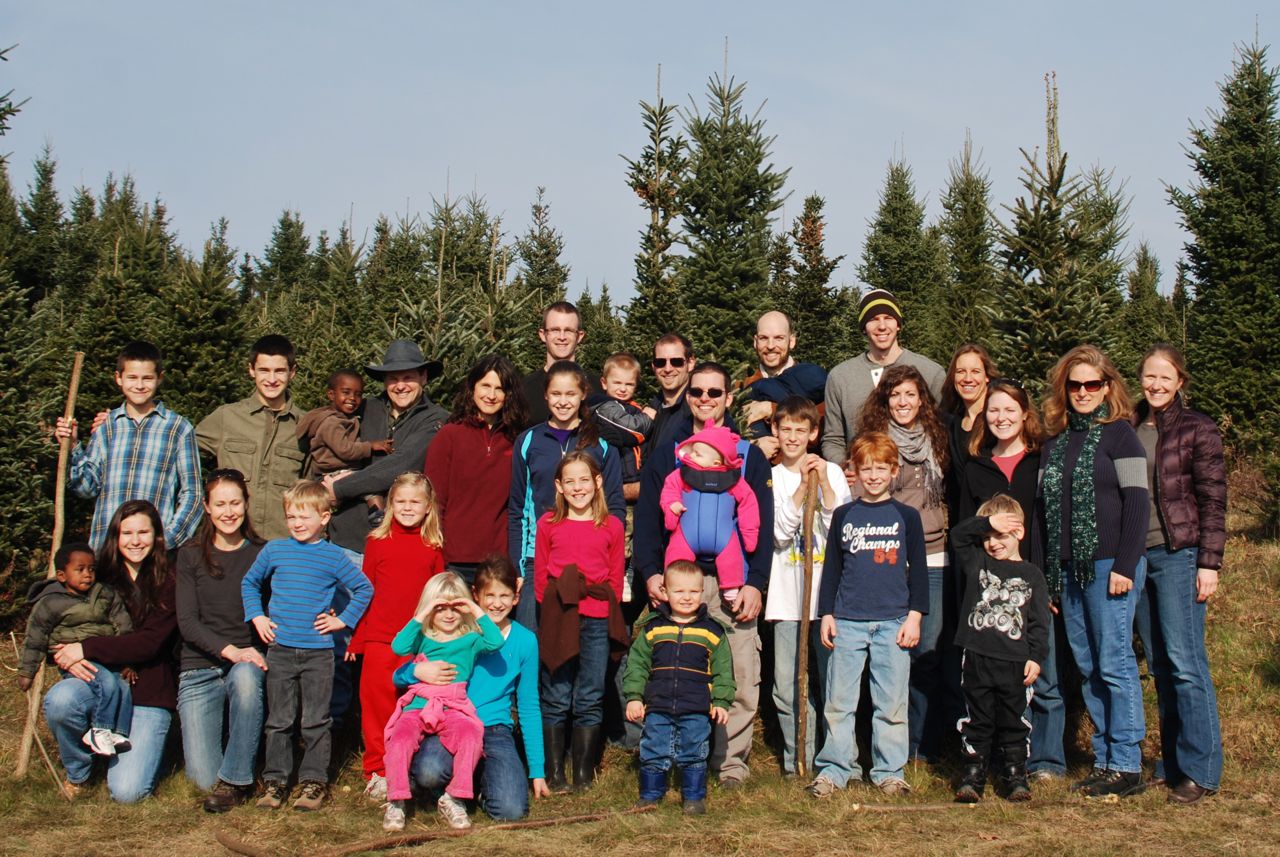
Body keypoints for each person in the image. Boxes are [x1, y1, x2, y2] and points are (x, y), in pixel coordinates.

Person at [633, 362, 774, 786]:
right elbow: (647, 520)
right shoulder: (669, 452)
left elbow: (760, 522)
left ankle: (729, 763)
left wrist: (756, 582)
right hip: (680, 579)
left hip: (733, 581)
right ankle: (676, 756)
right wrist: (650, 572)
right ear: (687, 396)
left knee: (742, 674)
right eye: (697, 393)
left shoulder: (747, 456)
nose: (705, 400)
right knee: (675, 674)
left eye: (715, 393)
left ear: (729, 398)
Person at [1039, 344, 1149, 799]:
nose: (1083, 392)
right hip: (1069, 571)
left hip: (1110, 567)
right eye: (1075, 384)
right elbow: (1048, 513)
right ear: (1064, 389)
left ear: (1107, 388)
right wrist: (1051, 575)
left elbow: (1138, 504)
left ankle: (1127, 762)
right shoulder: (1056, 442)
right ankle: (1105, 758)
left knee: (1115, 662)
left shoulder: (1121, 436)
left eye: (1092, 384)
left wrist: (1125, 563)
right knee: (1087, 666)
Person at [807, 432, 927, 798]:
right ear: (854, 472)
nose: (873, 476)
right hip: (847, 621)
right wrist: (826, 613)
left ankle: (889, 770)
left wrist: (915, 616)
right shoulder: (844, 514)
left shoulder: (907, 517)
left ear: (894, 470)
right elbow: (832, 569)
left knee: (890, 702)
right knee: (839, 701)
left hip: (893, 622)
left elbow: (919, 571)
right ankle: (835, 769)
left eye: (881, 468)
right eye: (866, 468)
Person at [242, 480, 373, 812]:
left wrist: (342, 620)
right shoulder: (274, 550)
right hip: (281, 648)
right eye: (291, 517)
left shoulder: (333, 556)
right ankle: (275, 781)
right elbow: (250, 582)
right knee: (280, 720)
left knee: (316, 720)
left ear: (325, 517)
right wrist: (257, 616)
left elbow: (363, 588)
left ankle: (313, 781)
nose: (297, 524)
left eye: (305, 516)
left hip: (318, 653)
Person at [1131, 344, 1226, 805]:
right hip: (1140, 557)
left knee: (1187, 663)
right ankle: (1171, 763)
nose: (1156, 385)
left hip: (1179, 555)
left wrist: (1210, 563)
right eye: (1150, 377)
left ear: (1180, 381)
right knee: (1161, 665)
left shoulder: (1197, 428)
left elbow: (1213, 500)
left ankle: (1202, 770)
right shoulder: (1131, 426)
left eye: (1165, 378)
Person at [960, 378, 1064, 780]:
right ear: (985, 417)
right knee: (992, 685)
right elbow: (968, 530)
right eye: (993, 410)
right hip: (989, 593)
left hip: (1033, 583)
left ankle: (1047, 761)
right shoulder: (976, 467)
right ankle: (999, 761)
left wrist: (1046, 582)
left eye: (1009, 410)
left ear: (1024, 414)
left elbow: (1051, 524)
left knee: (1043, 674)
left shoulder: (1041, 461)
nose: (1001, 417)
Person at [44, 500, 179, 803]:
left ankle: (116, 752)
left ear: (156, 536)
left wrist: (85, 648)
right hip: (100, 679)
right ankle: (81, 767)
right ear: (115, 536)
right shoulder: (97, 575)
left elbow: (149, 642)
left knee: (127, 792)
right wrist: (65, 655)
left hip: (149, 689)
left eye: (143, 532)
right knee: (61, 701)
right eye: (126, 532)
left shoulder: (170, 578)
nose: (135, 541)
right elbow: (54, 618)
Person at [854, 363, 954, 761]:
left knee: (927, 653)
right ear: (885, 399)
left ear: (922, 400)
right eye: (895, 395)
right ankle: (882, 746)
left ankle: (921, 747)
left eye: (910, 394)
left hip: (933, 556)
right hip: (888, 557)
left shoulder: (938, 438)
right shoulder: (875, 442)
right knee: (889, 657)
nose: (902, 402)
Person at [407, 556, 549, 821]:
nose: (497, 603)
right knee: (428, 773)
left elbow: (529, 705)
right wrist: (415, 670)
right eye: (490, 595)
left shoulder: (525, 641)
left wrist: (537, 771)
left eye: (504, 595)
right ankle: (444, 786)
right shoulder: (455, 630)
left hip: (494, 729)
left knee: (511, 811)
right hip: (451, 721)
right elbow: (403, 669)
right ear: (476, 596)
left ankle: (478, 786)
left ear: (516, 597)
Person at [766, 396, 851, 775]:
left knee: (832, 684)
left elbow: (841, 532)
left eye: (801, 430)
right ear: (775, 431)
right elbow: (779, 535)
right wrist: (801, 488)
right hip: (787, 600)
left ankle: (832, 762)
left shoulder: (830, 471)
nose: (793, 437)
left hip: (826, 600)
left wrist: (823, 489)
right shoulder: (771, 477)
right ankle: (795, 759)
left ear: (813, 433)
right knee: (786, 687)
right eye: (786, 430)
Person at [347, 472, 445, 802]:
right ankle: (378, 770)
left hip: (417, 642)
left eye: (414, 501)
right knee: (377, 706)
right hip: (379, 639)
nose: (407, 507)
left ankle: (409, 765)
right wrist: (358, 638)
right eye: (400, 501)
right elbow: (365, 590)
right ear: (391, 504)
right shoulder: (376, 541)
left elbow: (438, 599)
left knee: (413, 707)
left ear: (428, 506)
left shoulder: (433, 546)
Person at [381, 572, 505, 832]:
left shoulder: (470, 639)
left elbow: (494, 642)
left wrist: (473, 607)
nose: (448, 615)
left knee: (472, 734)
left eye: (454, 608)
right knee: (400, 738)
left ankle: (454, 797)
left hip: (454, 706)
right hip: (419, 705)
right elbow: (398, 647)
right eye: (441, 609)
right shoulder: (423, 637)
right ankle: (396, 799)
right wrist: (423, 613)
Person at [175, 470, 268, 812]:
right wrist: (230, 650)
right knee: (201, 778)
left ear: (246, 504)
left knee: (245, 677)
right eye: (220, 504)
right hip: (200, 667)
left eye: (235, 503)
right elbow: (187, 622)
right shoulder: (189, 555)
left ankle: (236, 782)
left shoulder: (263, 552)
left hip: (246, 665)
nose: (228, 512)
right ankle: (231, 770)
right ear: (207, 508)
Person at [508, 360, 625, 630]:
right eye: (556, 394)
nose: (563, 401)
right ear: (546, 395)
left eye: (570, 394)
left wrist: (607, 551)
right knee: (533, 642)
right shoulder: (528, 441)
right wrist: (517, 566)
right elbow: (517, 508)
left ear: (583, 394)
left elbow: (615, 505)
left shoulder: (601, 443)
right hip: (537, 556)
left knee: (583, 643)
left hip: (590, 555)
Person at [535, 451, 627, 792]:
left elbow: (615, 578)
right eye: (570, 481)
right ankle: (554, 772)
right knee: (557, 693)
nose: (578, 487)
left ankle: (583, 774)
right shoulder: (548, 524)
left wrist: (601, 606)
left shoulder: (612, 525)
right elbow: (543, 577)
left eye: (584, 480)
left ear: (598, 482)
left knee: (590, 693)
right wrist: (557, 606)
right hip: (561, 616)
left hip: (597, 619)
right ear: (559, 486)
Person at [950, 495, 1051, 803]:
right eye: (987, 537)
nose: (993, 543)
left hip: (1015, 662)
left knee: (1013, 720)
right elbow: (957, 536)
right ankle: (973, 775)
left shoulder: (1032, 574)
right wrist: (987, 523)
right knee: (978, 719)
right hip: (977, 656)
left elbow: (1039, 622)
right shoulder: (977, 563)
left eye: (1000, 535)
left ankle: (1015, 774)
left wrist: (1036, 657)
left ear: (1019, 532)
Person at [59, 341, 202, 549]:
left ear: (159, 378)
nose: (140, 385)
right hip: (106, 548)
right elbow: (87, 489)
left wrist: (167, 539)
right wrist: (72, 447)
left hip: (151, 554)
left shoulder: (178, 429)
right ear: (119, 378)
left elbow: (193, 494)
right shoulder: (107, 427)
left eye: (147, 378)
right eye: (132, 378)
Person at [623, 560, 736, 814]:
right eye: (679, 591)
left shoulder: (712, 631)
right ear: (665, 592)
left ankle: (694, 797)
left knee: (694, 751)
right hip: (659, 704)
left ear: (702, 592)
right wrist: (634, 697)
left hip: (696, 706)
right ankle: (650, 795)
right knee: (653, 748)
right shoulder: (653, 628)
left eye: (693, 592)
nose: (687, 598)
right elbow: (637, 665)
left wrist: (721, 701)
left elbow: (724, 671)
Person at [324, 339, 448, 554]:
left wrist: (339, 489)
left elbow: (401, 464)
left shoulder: (436, 420)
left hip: (397, 543)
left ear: (423, 377)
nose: (400, 386)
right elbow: (329, 439)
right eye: (393, 378)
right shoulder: (364, 409)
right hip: (347, 540)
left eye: (408, 377)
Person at [20, 542, 134, 756]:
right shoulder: (51, 603)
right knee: (107, 683)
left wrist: (128, 660)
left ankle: (117, 733)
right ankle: (99, 729)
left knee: (123, 686)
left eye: (91, 569)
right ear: (62, 575)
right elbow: (35, 637)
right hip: (77, 661)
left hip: (108, 656)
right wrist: (27, 671)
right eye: (80, 569)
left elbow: (123, 626)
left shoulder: (105, 594)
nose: (87, 575)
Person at [425, 355, 527, 586]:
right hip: (454, 560)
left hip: (499, 563)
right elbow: (435, 501)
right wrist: (437, 555)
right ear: (472, 388)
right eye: (486, 386)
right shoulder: (449, 436)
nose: (491, 395)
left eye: (499, 389)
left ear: (508, 395)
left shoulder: (518, 440)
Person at [196, 335, 304, 541]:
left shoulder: (305, 425)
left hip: (281, 544)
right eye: (264, 370)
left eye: (279, 371)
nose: (271, 379)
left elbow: (309, 487)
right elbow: (181, 451)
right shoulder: (226, 417)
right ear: (251, 370)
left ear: (292, 372)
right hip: (233, 543)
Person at [821, 290, 946, 463]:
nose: (882, 326)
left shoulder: (931, 372)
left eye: (888, 317)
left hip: (917, 484)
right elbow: (833, 439)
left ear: (898, 324)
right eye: (873, 319)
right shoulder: (841, 377)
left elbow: (943, 431)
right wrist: (844, 466)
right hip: (861, 483)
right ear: (863, 327)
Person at [660, 424, 761, 600]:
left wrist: (750, 535)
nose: (691, 455)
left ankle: (731, 590)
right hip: (685, 536)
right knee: (676, 557)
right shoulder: (681, 474)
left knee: (731, 558)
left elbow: (749, 504)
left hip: (724, 538)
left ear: (716, 462)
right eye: (692, 451)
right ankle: (672, 587)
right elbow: (668, 491)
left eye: (697, 454)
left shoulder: (734, 480)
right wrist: (672, 507)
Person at [737, 311, 828, 456]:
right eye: (764, 338)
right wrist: (751, 448)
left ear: (791, 341)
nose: (771, 345)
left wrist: (772, 409)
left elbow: (819, 433)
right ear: (755, 341)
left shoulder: (814, 382)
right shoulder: (740, 388)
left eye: (779, 338)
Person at [295, 369, 393, 478]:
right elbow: (345, 450)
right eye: (346, 392)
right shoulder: (330, 422)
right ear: (331, 395)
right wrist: (370, 446)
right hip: (332, 474)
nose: (352, 398)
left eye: (358, 394)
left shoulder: (348, 418)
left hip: (344, 471)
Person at [521, 301, 600, 426]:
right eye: (555, 330)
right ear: (543, 335)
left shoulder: (598, 388)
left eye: (568, 330)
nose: (561, 337)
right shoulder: (524, 390)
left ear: (579, 336)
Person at [941, 344, 997, 516]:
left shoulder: (998, 421)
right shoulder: (950, 424)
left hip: (996, 525)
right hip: (962, 525)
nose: (967, 378)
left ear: (987, 376)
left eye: (975, 371)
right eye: (960, 371)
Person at [592, 351, 654, 501]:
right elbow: (633, 430)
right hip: (618, 476)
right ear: (604, 383)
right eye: (617, 383)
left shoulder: (632, 407)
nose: (623, 389)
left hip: (635, 475)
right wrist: (649, 417)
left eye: (629, 384)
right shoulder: (605, 406)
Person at [643, 333, 695, 456]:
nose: (667, 369)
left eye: (676, 362)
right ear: (653, 366)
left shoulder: (696, 411)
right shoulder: (649, 412)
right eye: (660, 362)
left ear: (690, 363)